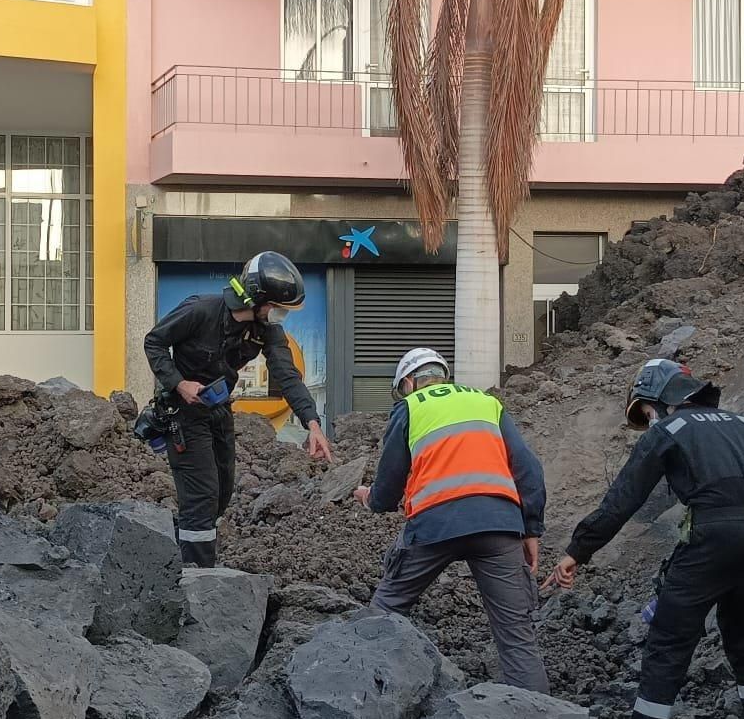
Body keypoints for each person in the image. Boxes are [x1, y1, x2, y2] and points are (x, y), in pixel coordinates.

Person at [540, 357, 744, 719]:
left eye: (645, 412)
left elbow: (622, 500)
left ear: (658, 398)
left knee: (668, 644)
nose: (648, 421)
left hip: (708, 541)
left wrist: (576, 552)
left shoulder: (669, 430)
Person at [353, 346, 551, 694]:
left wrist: (371, 499)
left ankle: (357, 693)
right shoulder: (487, 403)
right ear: (443, 376)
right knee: (517, 636)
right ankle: (538, 718)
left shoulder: (410, 407)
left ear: (409, 383)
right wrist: (531, 528)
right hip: (498, 524)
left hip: (434, 526)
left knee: (385, 610)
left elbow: (388, 485)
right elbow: (528, 468)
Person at [143, 251, 332, 566]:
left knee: (221, 492)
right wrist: (179, 383)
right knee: (202, 496)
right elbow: (154, 342)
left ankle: (184, 554)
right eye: (278, 308)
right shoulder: (200, 310)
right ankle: (196, 577)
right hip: (183, 414)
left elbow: (287, 375)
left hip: (218, 411)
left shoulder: (265, 330)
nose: (281, 315)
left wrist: (312, 424)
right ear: (257, 299)